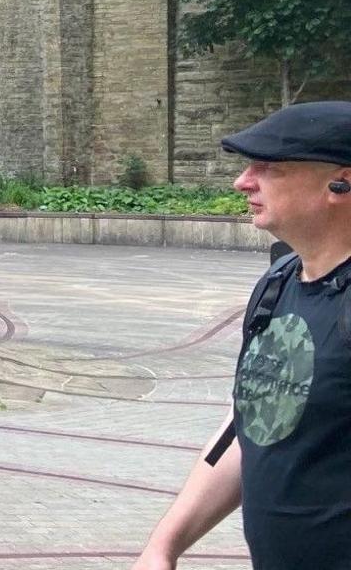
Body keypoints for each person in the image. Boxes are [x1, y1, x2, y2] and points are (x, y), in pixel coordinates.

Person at [132, 100, 351, 569]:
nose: (242, 181)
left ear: (341, 181)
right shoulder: (277, 284)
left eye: (268, 167)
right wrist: (163, 545)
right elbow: (250, 424)